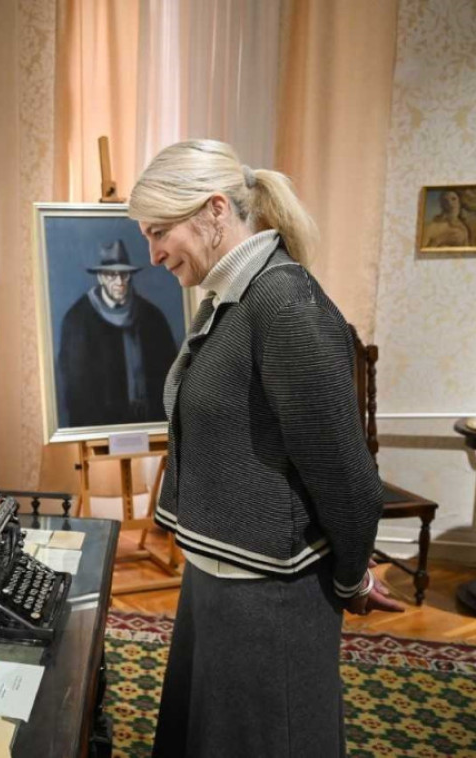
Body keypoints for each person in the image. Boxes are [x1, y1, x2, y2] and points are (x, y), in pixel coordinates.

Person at [127, 139, 403, 758]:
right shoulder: (233, 297)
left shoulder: (284, 304)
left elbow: (349, 480)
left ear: (215, 210)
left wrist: (353, 577)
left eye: (159, 232)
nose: (153, 254)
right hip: (220, 577)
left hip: (268, 596)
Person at [57, 239, 177, 427]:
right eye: (111, 275)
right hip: (100, 426)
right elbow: (76, 389)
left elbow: (170, 375)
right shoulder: (77, 321)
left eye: (124, 275)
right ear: (100, 278)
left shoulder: (152, 317)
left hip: (151, 424)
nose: (119, 282)